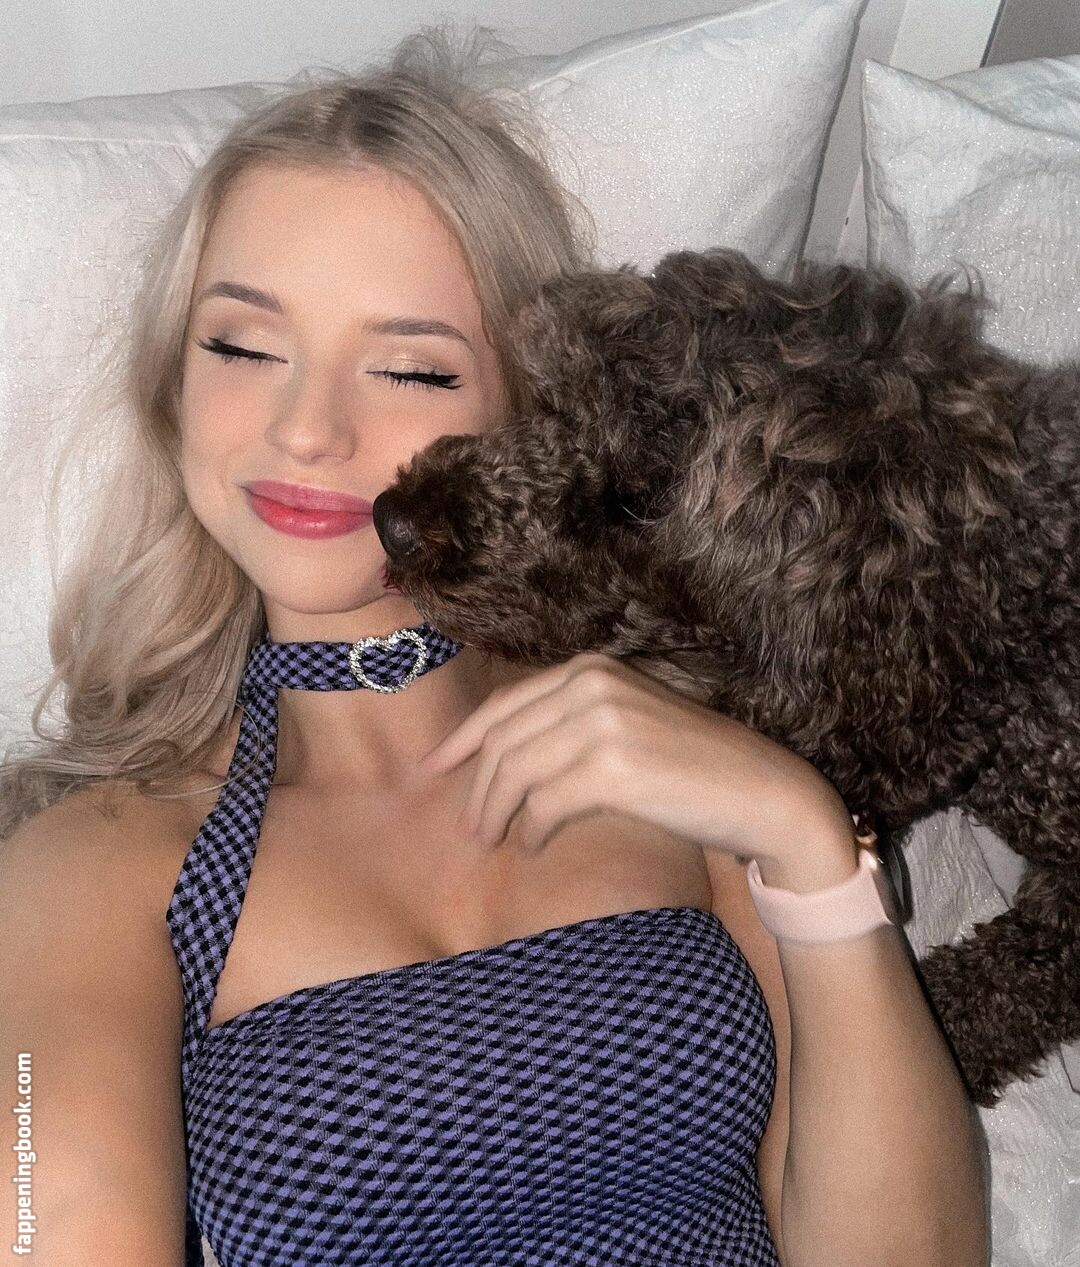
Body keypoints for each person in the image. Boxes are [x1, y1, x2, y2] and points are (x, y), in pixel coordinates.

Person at [0, 22, 989, 1267]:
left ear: (522, 415)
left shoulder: (692, 761)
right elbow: (49, 1219)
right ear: (173, 389)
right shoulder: (96, 864)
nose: (307, 430)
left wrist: (803, 835)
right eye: (244, 347)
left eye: (411, 370)